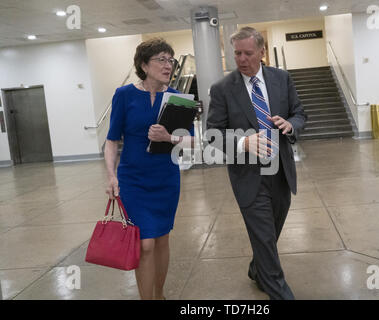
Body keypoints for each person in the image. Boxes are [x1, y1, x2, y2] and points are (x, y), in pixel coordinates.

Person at [207, 27, 307, 300]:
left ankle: (256, 268)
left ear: (262, 52)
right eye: (237, 53)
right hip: (248, 175)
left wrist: (291, 124)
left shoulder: (282, 79)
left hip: (281, 171)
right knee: (263, 236)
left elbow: (299, 113)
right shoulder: (222, 89)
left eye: (248, 53)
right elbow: (212, 134)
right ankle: (278, 290)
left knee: (270, 232)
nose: (241, 59)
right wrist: (243, 143)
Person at [104, 38, 194, 300]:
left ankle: (159, 293)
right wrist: (111, 175)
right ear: (144, 65)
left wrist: (169, 138)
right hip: (132, 179)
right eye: (162, 60)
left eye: (171, 60)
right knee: (144, 244)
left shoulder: (178, 98)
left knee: (162, 239)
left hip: (165, 178)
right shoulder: (124, 95)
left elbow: (191, 141)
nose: (168, 66)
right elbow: (111, 140)